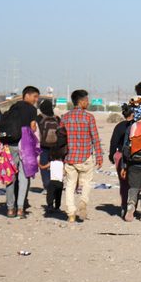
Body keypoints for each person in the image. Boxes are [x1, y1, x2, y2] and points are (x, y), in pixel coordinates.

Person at [0, 86, 40, 218]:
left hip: (10, 145)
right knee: (24, 177)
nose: (36, 100)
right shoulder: (32, 109)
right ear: (27, 95)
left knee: (10, 177)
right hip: (25, 146)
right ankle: (20, 208)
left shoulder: (13, 107)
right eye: (35, 97)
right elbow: (33, 127)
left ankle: (10, 209)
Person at [61, 89, 103, 223]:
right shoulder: (89, 117)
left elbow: (61, 138)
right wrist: (99, 156)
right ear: (81, 101)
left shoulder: (65, 117)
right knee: (86, 183)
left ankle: (71, 213)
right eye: (87, 100)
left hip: (70, 157)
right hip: (85, 157)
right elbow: (95, 138)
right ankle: (83, 202)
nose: (88, 102)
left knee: (70, 185)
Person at [36, 98, 65, 215]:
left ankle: (47, 186)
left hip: (43, 146)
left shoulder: (39, 118)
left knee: (44, 167)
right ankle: (55, 186)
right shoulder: (56, 118)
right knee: (55, 168)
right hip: (55, 147)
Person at [110, 104, 134, 216]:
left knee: (123, 183)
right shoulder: (136, 126)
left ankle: (124, 206)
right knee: (135, 182)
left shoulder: (119, 126)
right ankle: (132, 205)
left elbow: (113, 142)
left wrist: (111, 155)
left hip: (120, 155)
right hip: (135, 156)